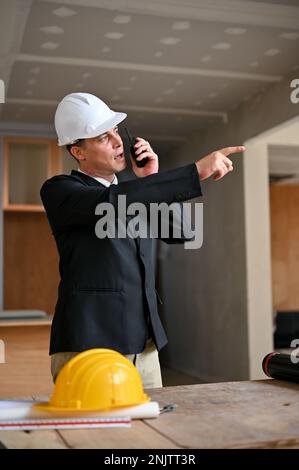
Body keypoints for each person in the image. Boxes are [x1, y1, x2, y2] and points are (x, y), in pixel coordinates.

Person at [40, 92, 244, 388]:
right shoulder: (61, 191)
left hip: (144, 346)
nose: (117, 141)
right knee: (99, 434)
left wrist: (151, 177)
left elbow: (181, 232)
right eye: (102, 137)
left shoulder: (135, 195)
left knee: (151, 430)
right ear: (78, 152)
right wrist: (195, 172)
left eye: (115, 132)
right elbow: (111, 201)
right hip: (91, 345)